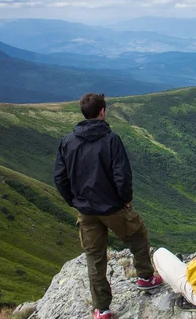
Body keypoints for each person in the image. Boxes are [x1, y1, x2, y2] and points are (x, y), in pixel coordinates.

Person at [53, 93, 162, 319]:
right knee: (138, 235)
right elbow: (122, 175)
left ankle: (101, 309)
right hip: (112, 206)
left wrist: (74, 201)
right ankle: (145, 277)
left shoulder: (68, 141)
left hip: (86, 211)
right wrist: (125, 199)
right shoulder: (111, 140)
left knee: (95, 258)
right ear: (102, 111)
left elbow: (59, 177)